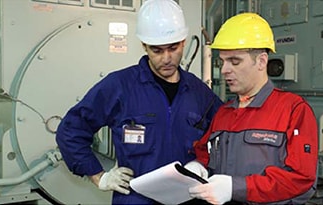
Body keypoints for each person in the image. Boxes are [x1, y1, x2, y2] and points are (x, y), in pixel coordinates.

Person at [55, 0, 223, 204]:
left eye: (173, 48)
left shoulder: (199, 93)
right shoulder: (120, 86)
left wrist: (201, 163)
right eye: (157, 50)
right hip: (136, 199)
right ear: (144, 46)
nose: (167, 58)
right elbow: (71, 131)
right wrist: (100, 177)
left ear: (184, 42)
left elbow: (225, 134)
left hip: (188, 199)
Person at [184, 13, 318, 204]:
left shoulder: (294, 110)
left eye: (235, 61)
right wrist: (198, 166)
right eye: (222, 61)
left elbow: (301, 179)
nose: (224, 70)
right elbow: (206, 153)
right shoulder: (224, 112)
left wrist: (236, 188)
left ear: (261, 61)